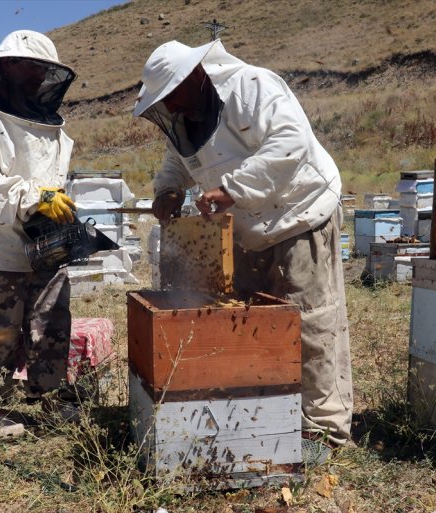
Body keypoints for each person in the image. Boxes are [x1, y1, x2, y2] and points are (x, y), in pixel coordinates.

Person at [134, 40, 353, 461]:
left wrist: (232, 189)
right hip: (245, 230)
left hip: (299, 214)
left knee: (309, 324)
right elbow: (177, 162)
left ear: (195, 77)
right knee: (252, 326)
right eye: (164, 104)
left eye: (173, 97)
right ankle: (269, 415)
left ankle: (325, 430)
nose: (172, 110)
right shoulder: (184, 119)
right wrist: (167, 189)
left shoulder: (251, 85)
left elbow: (290, 144)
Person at [0, 30, 78, 401]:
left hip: (45, 240)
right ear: (7, 66)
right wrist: (34, 197)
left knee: (51, 323)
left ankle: (49, 398)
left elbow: (47, 176)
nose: (40, 78)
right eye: (32, 67)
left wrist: (55, 203)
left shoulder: (43, 117)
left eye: (45, 71)